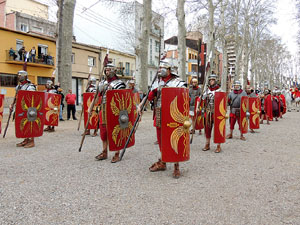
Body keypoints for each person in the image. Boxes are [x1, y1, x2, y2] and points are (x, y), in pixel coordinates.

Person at [138, 61, 187, 178]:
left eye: (162, 68)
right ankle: (163, 161)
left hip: (173, 115)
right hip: (160, 113)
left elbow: (184, 99)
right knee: (161, 139)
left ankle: (176, 165)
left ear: (169, 70)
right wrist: (140, 105)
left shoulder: (179, 83)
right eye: (159, 68)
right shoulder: (158, 83)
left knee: (174, 137)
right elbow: (149, 96)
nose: (160, 70)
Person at [95, 64, 126, 163]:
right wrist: (93, 107)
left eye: (109, 70)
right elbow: (98, 96)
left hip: (114, 110)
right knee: (103, 132)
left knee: (115, 131)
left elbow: (122, 99)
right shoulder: (102, 83)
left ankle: (117, 153)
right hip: (103, 109)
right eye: (106, 70)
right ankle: (104, 151)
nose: (107, 72)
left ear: (113, 71)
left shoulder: (120, 84)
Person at [11, 70, 36, 148]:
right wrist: (12, 104)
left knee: (29, 124)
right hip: (20, 108)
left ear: (24, 76)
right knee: (23, 124)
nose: (18, 77)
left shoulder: (30, 86)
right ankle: (26, 139)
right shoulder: (19, 86)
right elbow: (16, 97)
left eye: (20, 75)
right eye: (18, 75)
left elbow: (32, 98)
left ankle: (31, 141)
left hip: (28, 109)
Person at [202, 73, 223, 153]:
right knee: (207, 128)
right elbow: (202, 99)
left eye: (213, 80)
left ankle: (218, 145)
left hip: (217, 113)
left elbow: (223, 102)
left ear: (216, 81)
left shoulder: (220, 90)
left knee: (218, 129)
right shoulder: (206, 90)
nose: (211, 81)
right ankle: (207, 144)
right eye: (210, 80)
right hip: (208, 112)